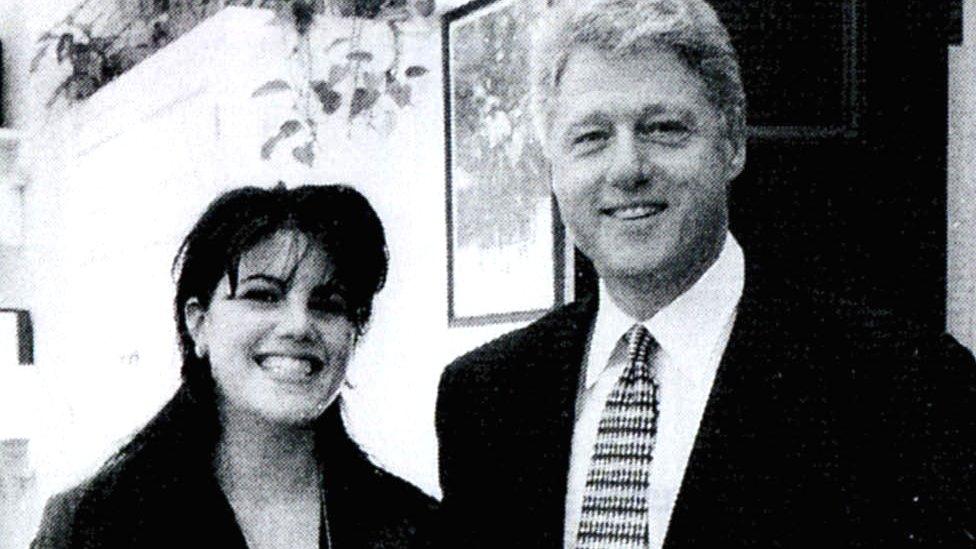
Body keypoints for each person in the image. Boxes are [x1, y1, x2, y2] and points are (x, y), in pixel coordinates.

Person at [435, 0, 976, 547]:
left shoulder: (900, 383)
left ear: (732, 142)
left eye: (664, 128)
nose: (627, 168)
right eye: (591, 137)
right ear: (552, 166)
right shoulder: (484, 398)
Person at [32, 184, 436, 548]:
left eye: (329, 304)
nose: (299, 325)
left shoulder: (417, 529)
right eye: (262, 295)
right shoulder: (93, 526)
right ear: (198, 322)